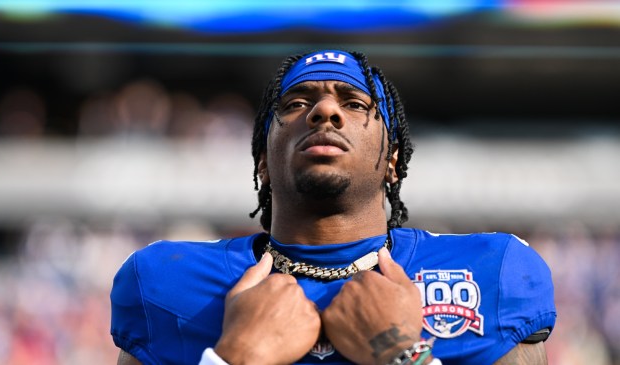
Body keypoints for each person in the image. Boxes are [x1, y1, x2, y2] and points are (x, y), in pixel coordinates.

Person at [110, 50, 556, 365]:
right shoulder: (163, 284)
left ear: (393, 162)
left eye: (354, 103)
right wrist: (239, 358)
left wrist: (402, 355)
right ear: (262, 161)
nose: (324, 110)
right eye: (297, 103)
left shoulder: (495, 274)